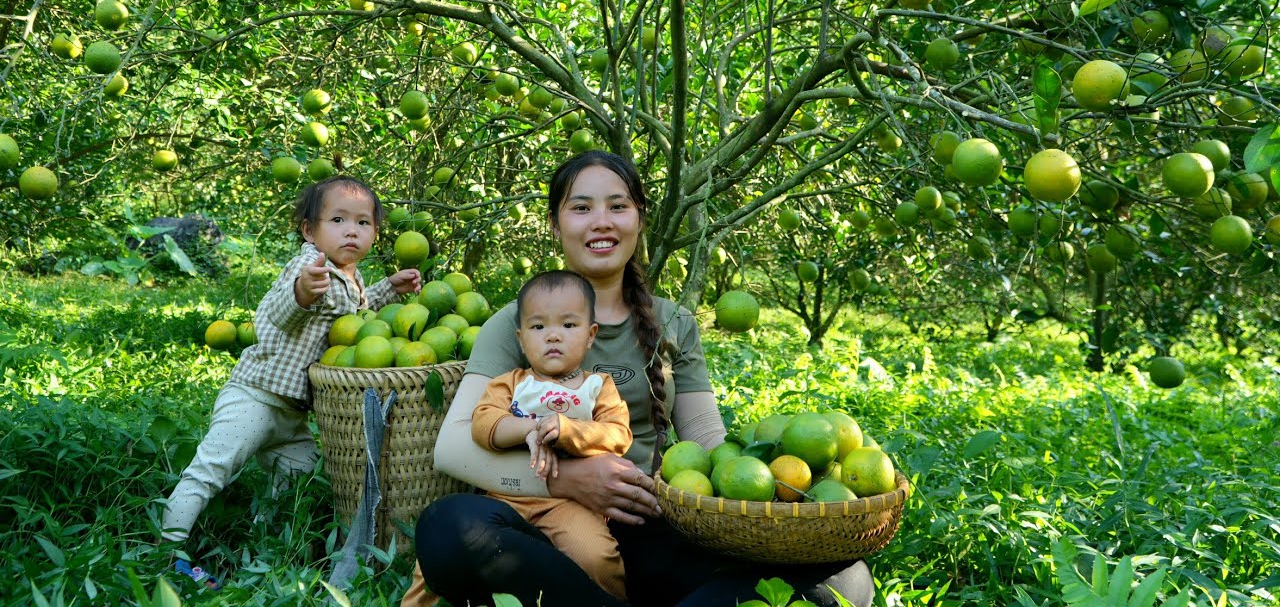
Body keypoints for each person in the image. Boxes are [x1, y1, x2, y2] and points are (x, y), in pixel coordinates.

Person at [406, 151, 874, 607]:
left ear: (640, 219)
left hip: (649, 522)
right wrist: (568, 481)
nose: (601, 222)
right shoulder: (519, 324)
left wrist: (779, 480)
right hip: (545, 530)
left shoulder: (674, 322)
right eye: (581, 208)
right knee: (448, 530)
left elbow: (707, 438)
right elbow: (453, 448)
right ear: (555, 224)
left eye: (618, 206)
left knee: (845, 578)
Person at [160, 175, 422, 589]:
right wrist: (302, 292)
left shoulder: (349, 278)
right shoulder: (308, 267)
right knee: (211, 468)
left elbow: (354, 318)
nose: (351, 231)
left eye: (363, 223)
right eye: (338, 220)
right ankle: (165, 551)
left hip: (292, 414)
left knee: (299, 474)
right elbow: (279, 311)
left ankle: (262, 539)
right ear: (309, 231)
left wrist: (389, 288)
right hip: (256, 397)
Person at [470, 269, 631, 600]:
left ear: (591, 335)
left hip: (571, 503)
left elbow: (618, 434)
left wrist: (567, 430)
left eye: (568, 325)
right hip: (506, 496)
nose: (553, 336)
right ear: (521, 338)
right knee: (447, 543)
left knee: (596, 558)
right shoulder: (511, 383)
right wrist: (529, 430)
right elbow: (484, 422)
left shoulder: (597, 387)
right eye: (538, 327)